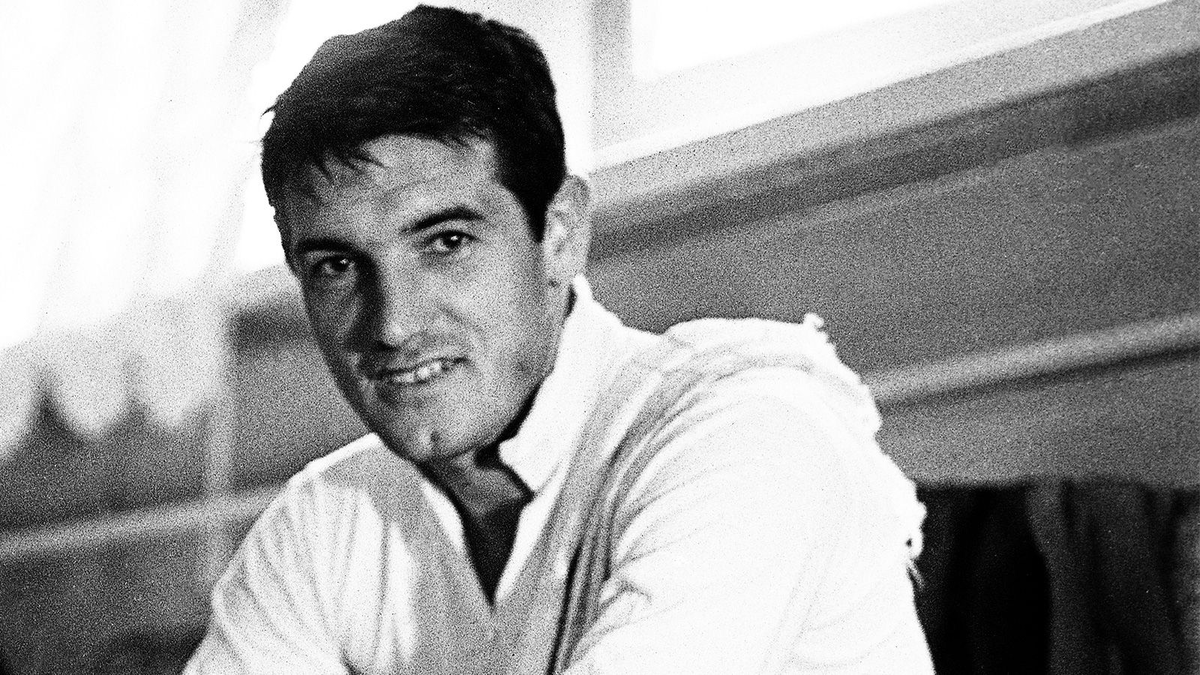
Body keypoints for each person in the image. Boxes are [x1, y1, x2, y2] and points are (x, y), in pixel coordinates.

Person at [184, 5, 934, 673]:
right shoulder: (326, 520)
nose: (394, 324)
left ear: (560, 234)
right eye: (337, 265)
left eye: (446, 241)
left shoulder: (744, 431)